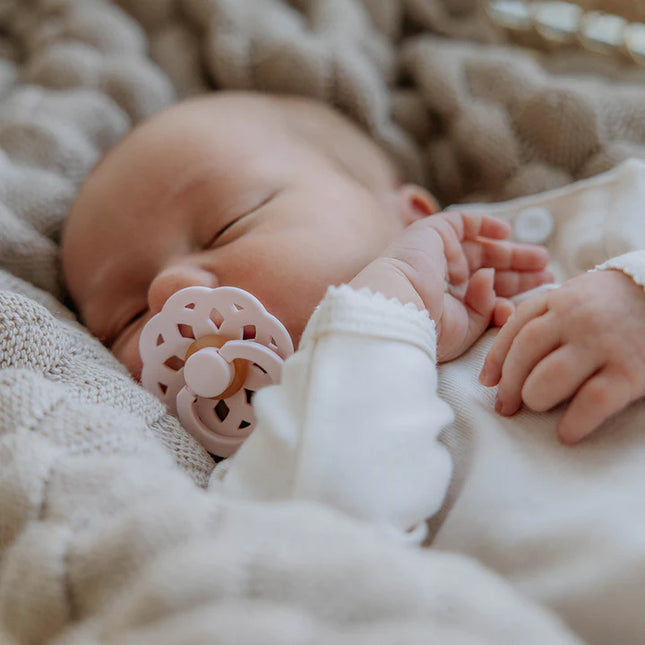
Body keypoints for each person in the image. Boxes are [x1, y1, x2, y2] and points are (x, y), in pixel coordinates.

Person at [61, 91, 645, 644]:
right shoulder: (267, 473)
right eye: (127, 318)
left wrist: (632, 296)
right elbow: (329, 554)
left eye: (228, 224)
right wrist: (381, 306)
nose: (170, 293)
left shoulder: (579, 260)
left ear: (411, 216)